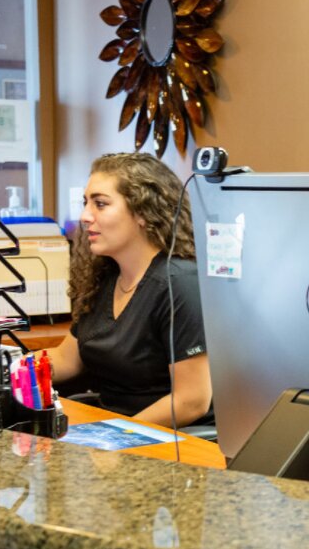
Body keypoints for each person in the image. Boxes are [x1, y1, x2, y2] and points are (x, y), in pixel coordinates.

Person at [45, 152, 213, 428]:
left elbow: (191, 400)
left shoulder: (180, 283)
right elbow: (66, 359)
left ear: (143, 213)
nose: (85, 216)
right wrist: (6, 366)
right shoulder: (105, 278)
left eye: (100, 204)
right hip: (113, 429)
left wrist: (114, 435)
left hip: (171, 441)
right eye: (85, 203)